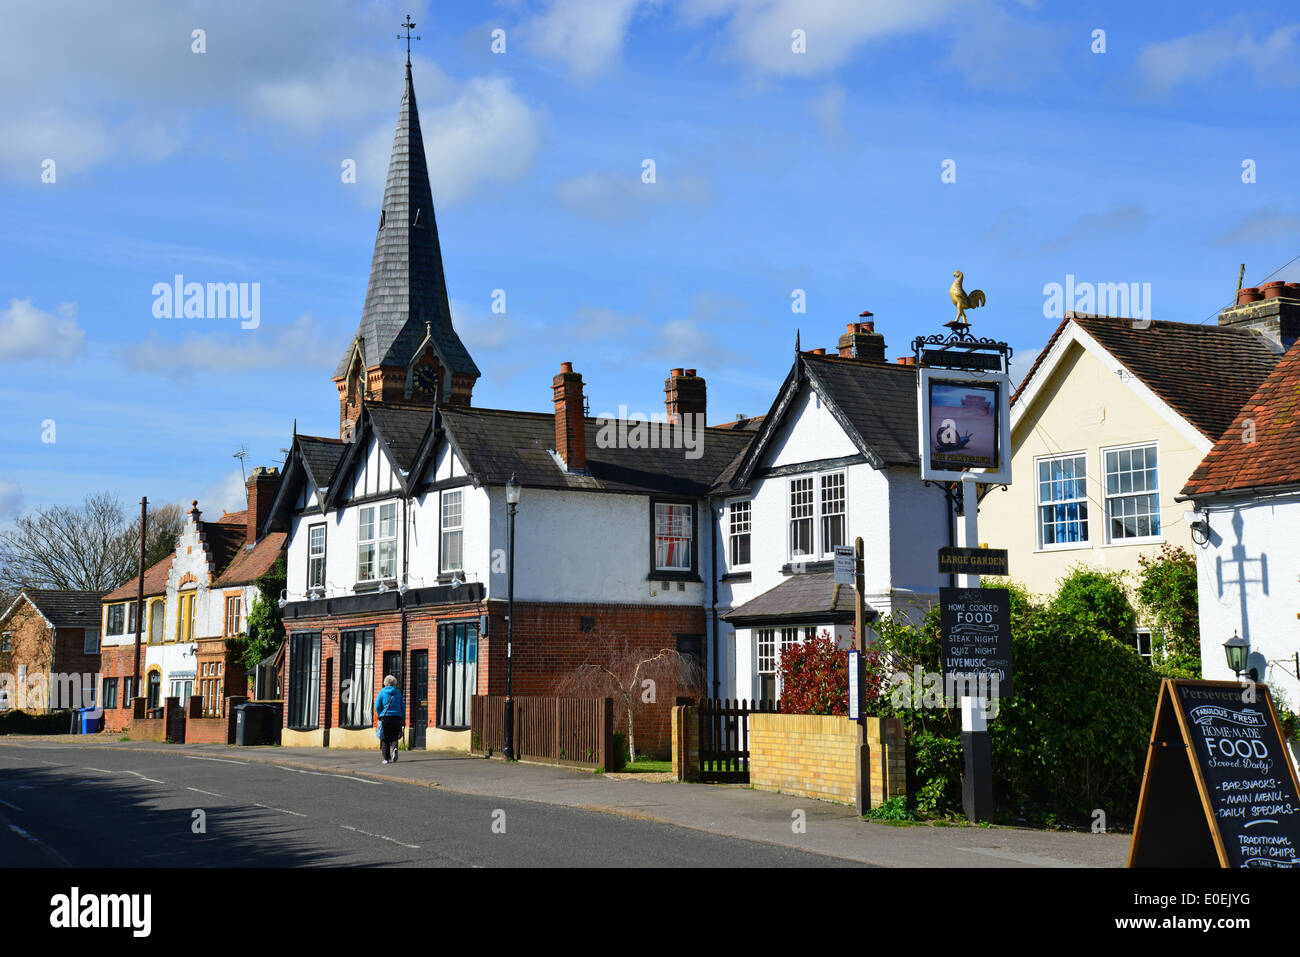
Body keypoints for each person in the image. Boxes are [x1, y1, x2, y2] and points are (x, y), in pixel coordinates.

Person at [374, 675, 406, 764]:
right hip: (397, 717)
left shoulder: (382, 692)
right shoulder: (398, 693)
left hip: (385, 717)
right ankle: (395, 748)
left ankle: (386, 758)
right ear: (394, 683)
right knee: (395, 736)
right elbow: (402, 707)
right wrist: (403, 719)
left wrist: (380, 714)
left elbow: (377, 705)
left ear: (385, 682)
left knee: (385, 738)